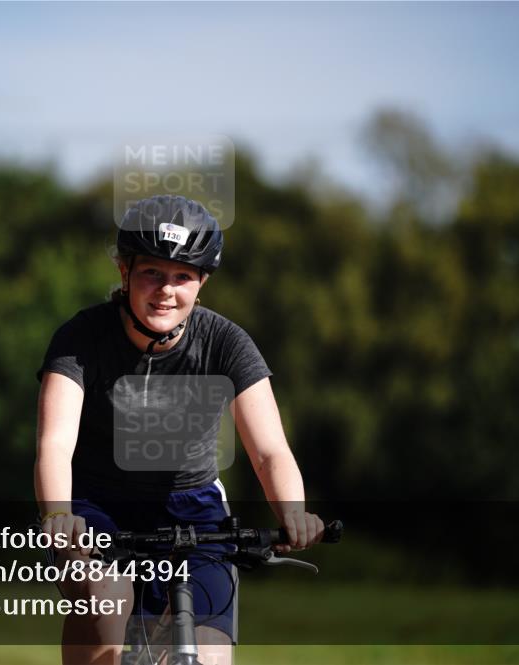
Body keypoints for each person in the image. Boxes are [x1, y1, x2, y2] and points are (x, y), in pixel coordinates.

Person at [35, 195, 325, 665]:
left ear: (202, 283)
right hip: (97, 508)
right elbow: (54, 444)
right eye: (153, 272)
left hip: (193, 509)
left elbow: (270, 450)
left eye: (183, 277)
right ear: (125, 272)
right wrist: (57, 516)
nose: (166, 290)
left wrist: (292, 511)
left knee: (208, 655)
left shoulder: (226, 342)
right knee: (102, 600)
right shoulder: (81, 338)